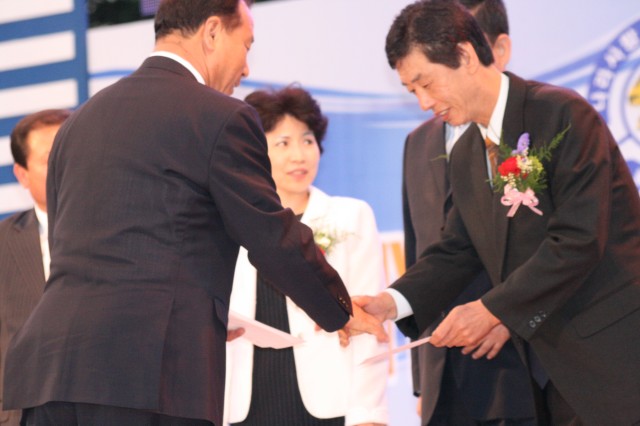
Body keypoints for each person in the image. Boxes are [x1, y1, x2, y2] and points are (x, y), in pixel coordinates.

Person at [1, 1, 385, 425]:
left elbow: (73, 247)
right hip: (146, 376)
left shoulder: (79, 121)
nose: (246, 68)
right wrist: (341, 310)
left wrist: (200, 316)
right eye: (247, 45)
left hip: (51, 371)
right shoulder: (220, 116)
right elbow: (271, 236)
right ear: (213, 32)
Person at [355, 1, 640, 425]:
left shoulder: (562, 113)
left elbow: (579, 238)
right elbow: (457, 249)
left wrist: (490, 309)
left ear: (466, 55)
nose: (423, 102)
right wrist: (389, 303)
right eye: (412, 91)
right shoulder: (467, 154)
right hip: (545, 372)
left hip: (613, 359)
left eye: (425, 83)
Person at [402, 1, 535, 424]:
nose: (425, 100)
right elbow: (426, 251)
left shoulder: (542, 124)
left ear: (492, 50)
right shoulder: (417, 144)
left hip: (519, 363)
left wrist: (508, 316)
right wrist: (421, 382)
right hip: (442, 372)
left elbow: (565, 244)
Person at [224, 87, 388, 426]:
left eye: (307, 141)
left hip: (330, 403)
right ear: (255, 152)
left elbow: (371, 324)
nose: (299, 156)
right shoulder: (229, 221)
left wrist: (368, 413)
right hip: (244, 404)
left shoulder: (350, 215)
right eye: (283, 143)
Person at [0, 109, 70, 426]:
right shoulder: (4, 243)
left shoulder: (121, 232)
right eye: (50, 159)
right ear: (22, 174)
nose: (66, 166)